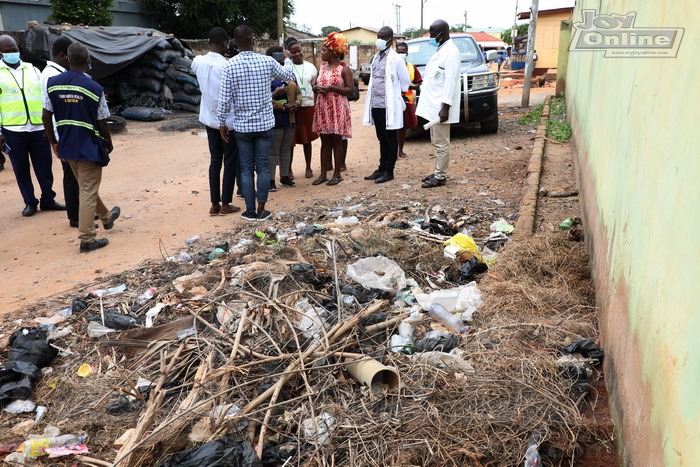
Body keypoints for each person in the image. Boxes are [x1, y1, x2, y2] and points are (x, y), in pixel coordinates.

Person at [43, 43, 120, 252]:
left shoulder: (53, 83)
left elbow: (46, 116)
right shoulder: (94, 88)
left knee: (87, 186)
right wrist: (109, 143)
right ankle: (87, 238)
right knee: (87, 190)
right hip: (87, 147)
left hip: (66, 146)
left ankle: (106, 216)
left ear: (68, 59)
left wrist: (54, 142)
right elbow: (103, 120)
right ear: (88, 60)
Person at [217, 25, 295, 222]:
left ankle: (249, 211)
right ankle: (262, 209)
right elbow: (288, 76)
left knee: (246, 169)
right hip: (265, 125)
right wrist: (287, 59)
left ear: (234, 42)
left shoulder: (230, 65)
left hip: (242, 127)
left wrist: (221, 123)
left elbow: (224, 99)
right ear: (253, 40)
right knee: (262, 168)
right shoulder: (267, 61)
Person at [0, 34, 65, 217]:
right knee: (21, 168)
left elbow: (45, 98)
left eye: (14, 50)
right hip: (13, 129)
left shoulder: (33, 70)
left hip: (38, 127)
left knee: (44, 166)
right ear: (0, 53)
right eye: (7, 51)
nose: (12, 53)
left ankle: (48, 199)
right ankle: (30, 202)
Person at [191, 27, 240, 217]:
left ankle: (214, 204)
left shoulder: (198, 62)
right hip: (227, 121)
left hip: (209, 120)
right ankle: (225, 203)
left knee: (215, 161)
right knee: (229, 161)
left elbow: (195, 61)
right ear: (224, 44)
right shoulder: (227, 66)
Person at [415, 20, 461, 188]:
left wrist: (445, 107)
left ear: (443, 33)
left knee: (442, 142)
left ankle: (440, 176)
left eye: (433, 34)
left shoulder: (451, 52)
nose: (431, 37)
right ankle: (437, 171)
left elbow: (451, 82)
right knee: (436, 141)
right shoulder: (441, 50)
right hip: (433, 106)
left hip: (441, 107)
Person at [40, 36, 80, 228]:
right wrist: (54, 140)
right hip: (63, 133)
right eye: (70, 56)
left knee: (75, 174)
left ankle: (80, 213)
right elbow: (48, 113)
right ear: (63, 55)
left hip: (64, 132)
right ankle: (77, 217)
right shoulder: (51, 76)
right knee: (72, 175)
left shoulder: (56, 72)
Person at [362, 27, 410, 184]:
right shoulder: (376, 57)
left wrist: (397, 94)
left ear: (390, 39)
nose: (379, 39)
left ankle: (389, 170)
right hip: (376, 104)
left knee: (390, 137)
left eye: (382, 37)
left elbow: (405, 82)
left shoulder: (396, 59)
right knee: (381, 137)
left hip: (389, 105)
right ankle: (381, 168)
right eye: (378, 36)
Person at [311, 32, 354, 187]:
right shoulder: (321, 67)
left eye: (324, 50)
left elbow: (350, 90)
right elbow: (315, 85)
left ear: (333, 51)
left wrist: (332, 88)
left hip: (337, 108)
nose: (321, 53)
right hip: (323, 107)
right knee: (324, 141)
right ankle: (323, 174)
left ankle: (337, 174)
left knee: (336, 140)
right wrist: (317, 88)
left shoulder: (344, 69)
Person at [266, 45, 301, 190]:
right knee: (273, 150)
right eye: (279, 55)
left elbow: (298, 91)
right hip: (276, 117)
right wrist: (282, 106)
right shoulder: (267, 74)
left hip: (290, 116)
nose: (281, 58)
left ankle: (285, 176)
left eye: (282, 55)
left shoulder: (289, 74)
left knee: (286, 148)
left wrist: (297, 103)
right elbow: (265, 97)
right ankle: (270, 181)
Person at [287, 40, 319, 179]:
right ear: (289, 53)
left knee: (307, 139)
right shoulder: (287, 67)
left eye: (299, 51)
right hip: (293, 108)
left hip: (308, 107)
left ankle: (308, 167)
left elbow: (314, 86)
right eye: (294, 52)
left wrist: (316, 104)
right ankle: (288, 170)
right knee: (290, 141)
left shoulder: (311, 67)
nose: (297, 54)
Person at [395, 41, 422, 159]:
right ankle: (393, 151)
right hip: (394, 100)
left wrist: (412, 86)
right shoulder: (391, 66)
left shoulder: (411, 67)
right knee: (393, 126)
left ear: (407, 53)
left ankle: (400, 150)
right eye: (398, 52)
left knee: (403, 127)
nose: (401, 54)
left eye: (403, 52)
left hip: (406, 101)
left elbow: (418, 82)